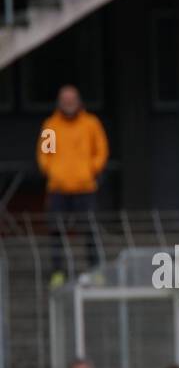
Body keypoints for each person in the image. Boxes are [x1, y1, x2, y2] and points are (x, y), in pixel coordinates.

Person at [37, 85, 108, 285]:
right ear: (60, 102)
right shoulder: (51, 126)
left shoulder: (91, 125)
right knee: (56, 231)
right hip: (58, 188)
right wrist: (53, 172)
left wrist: (90, 170)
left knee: (90, 230)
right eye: (65, 100)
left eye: (72, 99)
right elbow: (44, 155)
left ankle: (95, 270)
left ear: (79, 101)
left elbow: (100, 150)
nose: (69, 103)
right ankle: (58, 272)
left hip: (85, 187)